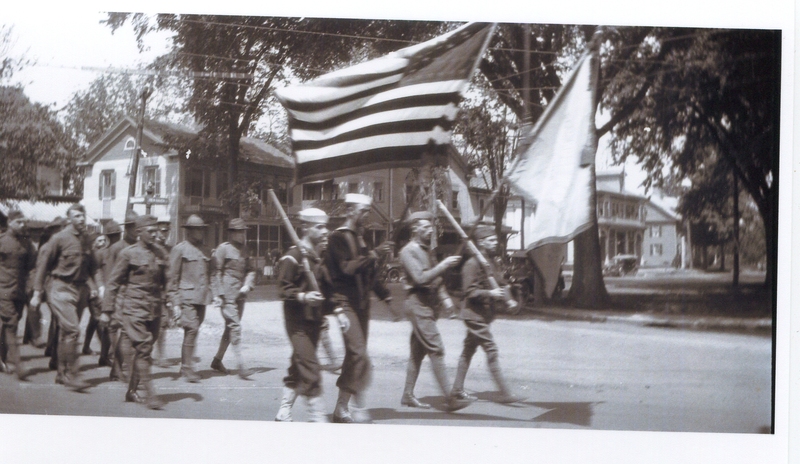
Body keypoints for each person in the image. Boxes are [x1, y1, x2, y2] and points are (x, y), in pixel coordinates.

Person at [325, 193, 393, 423]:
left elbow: (369, 275)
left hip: (362, 305)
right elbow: (346, 268)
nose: (366, 215)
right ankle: (355, 405)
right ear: (350, 210)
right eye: (363, 211)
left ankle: (341, 408)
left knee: (354, 356)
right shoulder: (337, 238)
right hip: (344, 303)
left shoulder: (363, 239)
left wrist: (386, 296)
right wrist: (373, 254)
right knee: (358, 354)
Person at [398, 211, 472, 411]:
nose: (430, 230)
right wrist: (444, 265)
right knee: (436, 349)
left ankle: (407, 395)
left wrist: (446, 298)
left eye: (431, 226)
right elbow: (421, 278)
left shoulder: (426, 250)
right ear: (415, 228)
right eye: (425, 226)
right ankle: (450, 399)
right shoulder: (407, 251)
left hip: (428, 305)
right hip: (417, 304)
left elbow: (435, 279)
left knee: (417, 352)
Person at [275, 208, 341, 422]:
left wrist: (338, 311)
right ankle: (318, 418)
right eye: (319, 226)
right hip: (297, 323)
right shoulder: (293, 256)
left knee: (298, 365)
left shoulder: (317, 257)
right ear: (305, 227)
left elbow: (327, 291)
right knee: (311, 368)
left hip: (315, 321)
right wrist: (303, 296)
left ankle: (283, 411)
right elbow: (283, 289)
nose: (325, 231)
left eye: (326, 226)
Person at [99, 214, 167, 410]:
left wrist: (172, 304)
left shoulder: (161, 253)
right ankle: (151, 395)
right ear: (139, 232)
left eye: (156, 231)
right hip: (134, 308)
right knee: (144, 348)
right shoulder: (128, 254)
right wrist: (107, 310)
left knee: (144, 349)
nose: (155, 235)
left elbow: (167, 281)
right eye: (151, 232)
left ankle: (132, 390)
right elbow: (113, 283)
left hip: (154, 309)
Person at [450, 225, 523, 404]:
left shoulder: (491, 262)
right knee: (491, 350)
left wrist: (510, 300)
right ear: (481, 242)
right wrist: (490, 294)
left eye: (495, 240)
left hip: (484, 314)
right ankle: (505, 393)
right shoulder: (472, 264)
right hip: (473, 315)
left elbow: (502, 284)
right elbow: (469, 291)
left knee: (468, 351)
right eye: (491, 240)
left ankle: (456, 390)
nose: (495, 243)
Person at [31, 203, 98, 391]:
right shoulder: (58, 238)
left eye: (83, 215)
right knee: (72, 329)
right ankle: (73, 374)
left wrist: (98, 287)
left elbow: (93, 267)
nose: (81, 219)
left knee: (65, 332)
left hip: (80, 289)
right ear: (69, 219)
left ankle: (61, 373)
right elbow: (43, 265)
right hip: (60, 287)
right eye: (76, 216)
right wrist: (37, 292)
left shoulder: (87, 240)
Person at [167, 214, 214, 383]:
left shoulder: (207, 250)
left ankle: (184, 367)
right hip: (185, 296)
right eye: (197, 229)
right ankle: (187, 369)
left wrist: (213, 293)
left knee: (192, 331)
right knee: (192, 328)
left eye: (202, 229)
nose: (201, 232)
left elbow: (212, 274)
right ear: (189, 231)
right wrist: (174, 302)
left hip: (201, 298)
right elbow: (172, 277)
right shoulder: (180, 249)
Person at [210, 218, 255, 379]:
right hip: (226, 295)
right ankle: (241, 365)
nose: (243, 234)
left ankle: (217, 360)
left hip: (240, 295)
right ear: (232, 233)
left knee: (230, 328)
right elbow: (215, 273)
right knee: (235, 326)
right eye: (240, 232)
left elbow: (251, 270)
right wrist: (217, 295)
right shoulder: (223, 249)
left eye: (244, 231)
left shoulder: (245, 250)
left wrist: (248, 285)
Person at [101, 212, 139, 381]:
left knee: (127, 333)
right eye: (132, 227)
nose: (136, 230)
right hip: (119, 295)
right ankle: (116, 367)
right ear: (127, 228)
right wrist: (110, 300)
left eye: (137, 227)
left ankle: (117, 367)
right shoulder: (116, 248)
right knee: (122, 332)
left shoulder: (139, 247)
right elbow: (110, 276)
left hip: (133, 295)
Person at [0, 210, 37, 379]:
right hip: (3, 290)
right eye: (19, 222)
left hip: (20, 292)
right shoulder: (2, 241)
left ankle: (2, 359)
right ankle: (17, 364)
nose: (23, 225)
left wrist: (32, 287)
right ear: (10, 223)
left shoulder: (27, 244)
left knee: (10, 324)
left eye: (24, 222)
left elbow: (32, 268)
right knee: (12, 323)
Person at [153, 219, 174, 368]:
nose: (163, 234)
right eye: (161, 231)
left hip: (163, 292)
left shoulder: (169, 249)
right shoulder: (151, 249)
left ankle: (160, 356)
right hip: (149, 291)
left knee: (163, 324)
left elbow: (170, 273)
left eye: (166, 231)